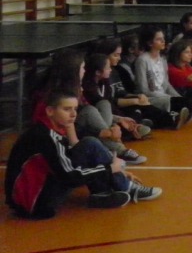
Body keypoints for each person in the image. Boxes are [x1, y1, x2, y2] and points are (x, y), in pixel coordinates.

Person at [5, 89, 160, 218]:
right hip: (36, 205)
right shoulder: (46, 137)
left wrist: (116, 170)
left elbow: (71, 156)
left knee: (88, 144)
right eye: (67, 109)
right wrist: (110, 169)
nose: (73, 114)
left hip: (29, 198)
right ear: (50, 111)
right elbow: (69, 177)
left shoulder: (50, 129)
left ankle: (102, 193)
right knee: (90, 145)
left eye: (75, 109)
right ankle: (126, 188)